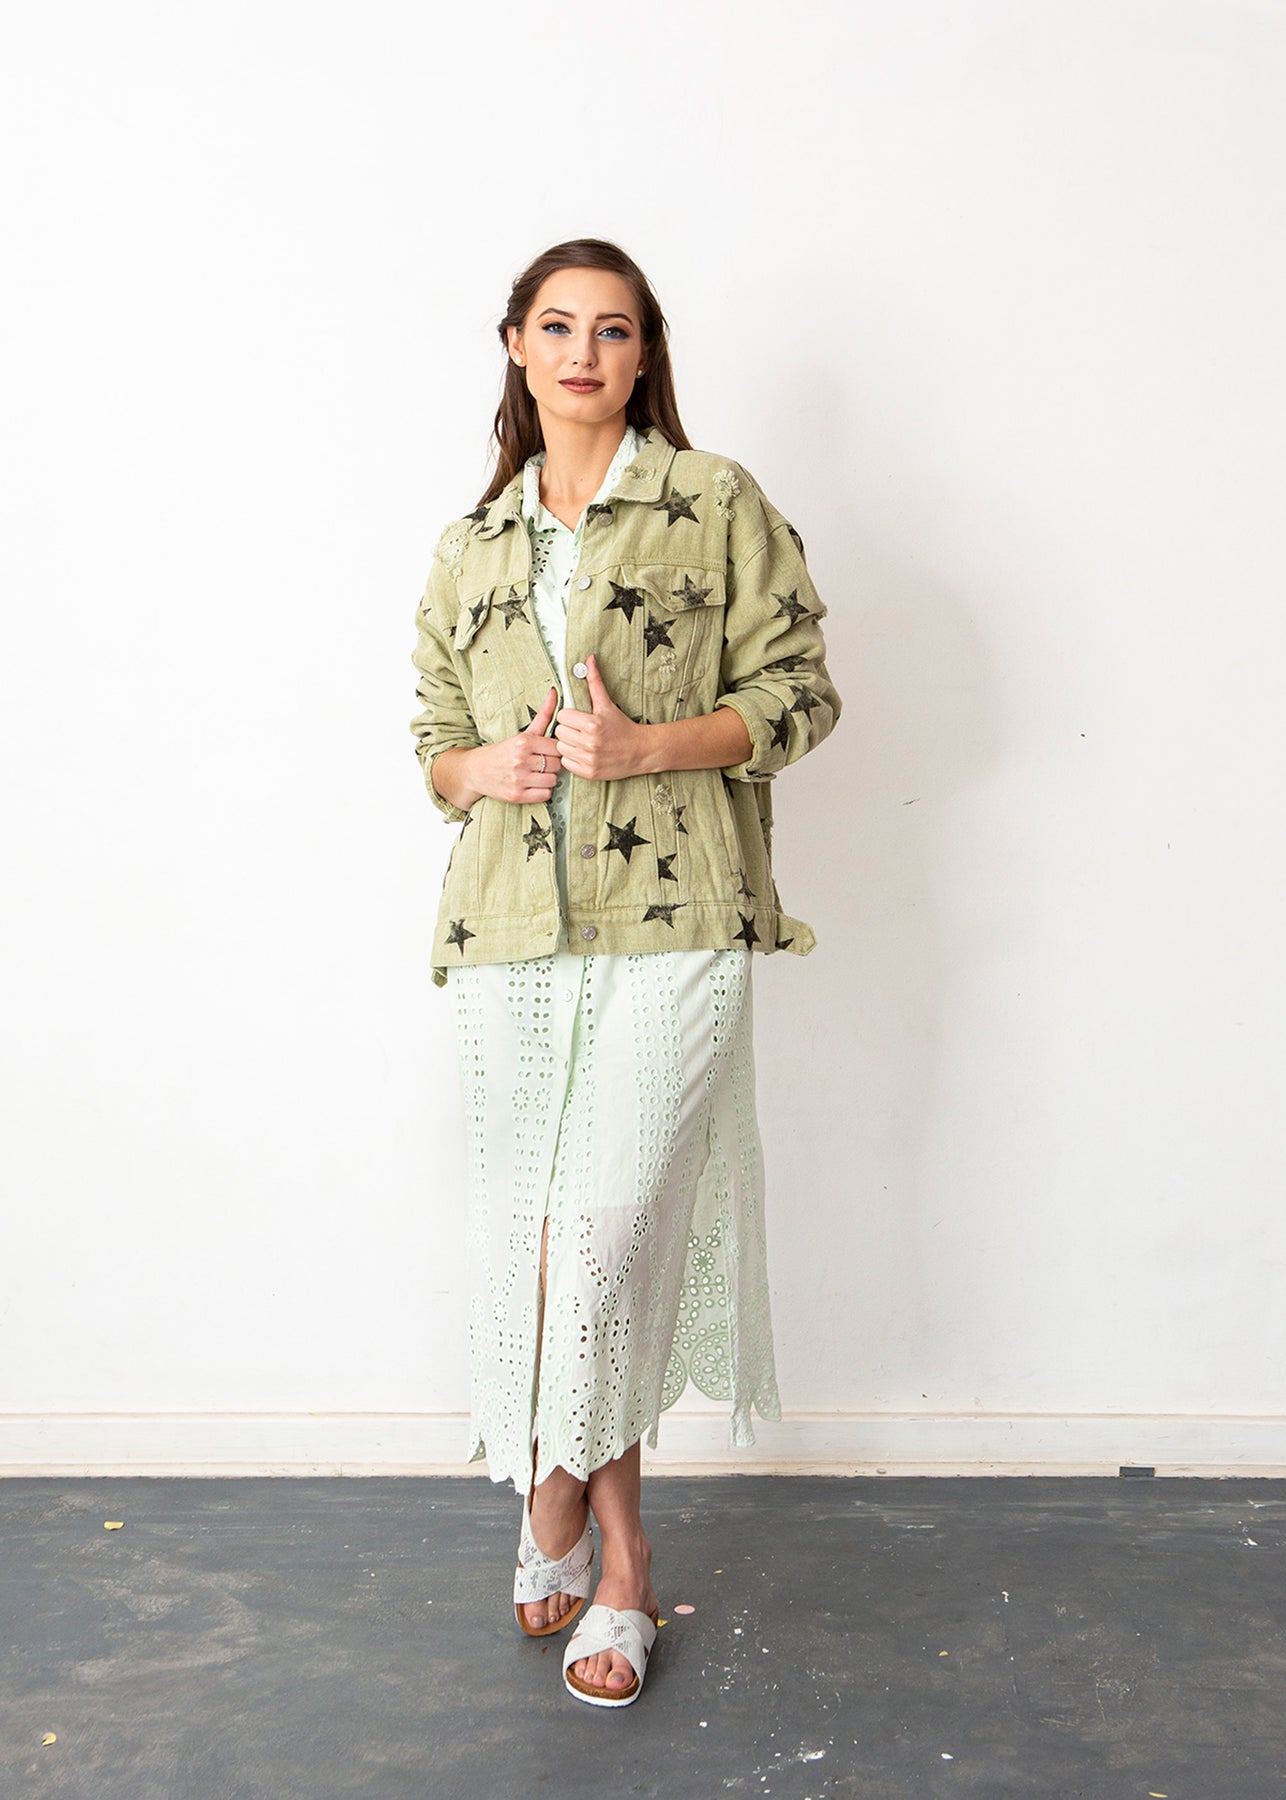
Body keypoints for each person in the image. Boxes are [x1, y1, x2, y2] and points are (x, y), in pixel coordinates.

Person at [409, 237, 842, 1708]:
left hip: (674, 923)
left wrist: (650, 745)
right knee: (543, 1245)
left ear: (644, 352)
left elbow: (798, 694)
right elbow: (432, 744)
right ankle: (616, 1554)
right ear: (515, 347)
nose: (582, 352)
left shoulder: (713, 502)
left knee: (608, 1233)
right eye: (556, 326)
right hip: (510, 937)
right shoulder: (469, 545)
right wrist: (486, 767)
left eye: (611, 329)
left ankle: (562, 1505)